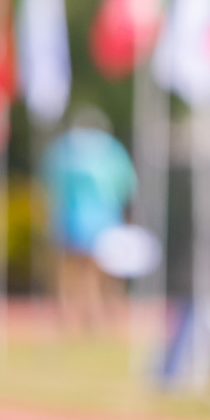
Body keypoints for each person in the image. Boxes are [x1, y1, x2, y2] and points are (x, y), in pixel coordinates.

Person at [39, 107, 136, 330]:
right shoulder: (111, 151)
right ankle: (96, 316)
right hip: (102, 221)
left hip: (70, 219)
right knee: (101, 273)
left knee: (71, 271)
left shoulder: (64, 151)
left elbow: (50, 184)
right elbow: (126, 186)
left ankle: (70, 315)